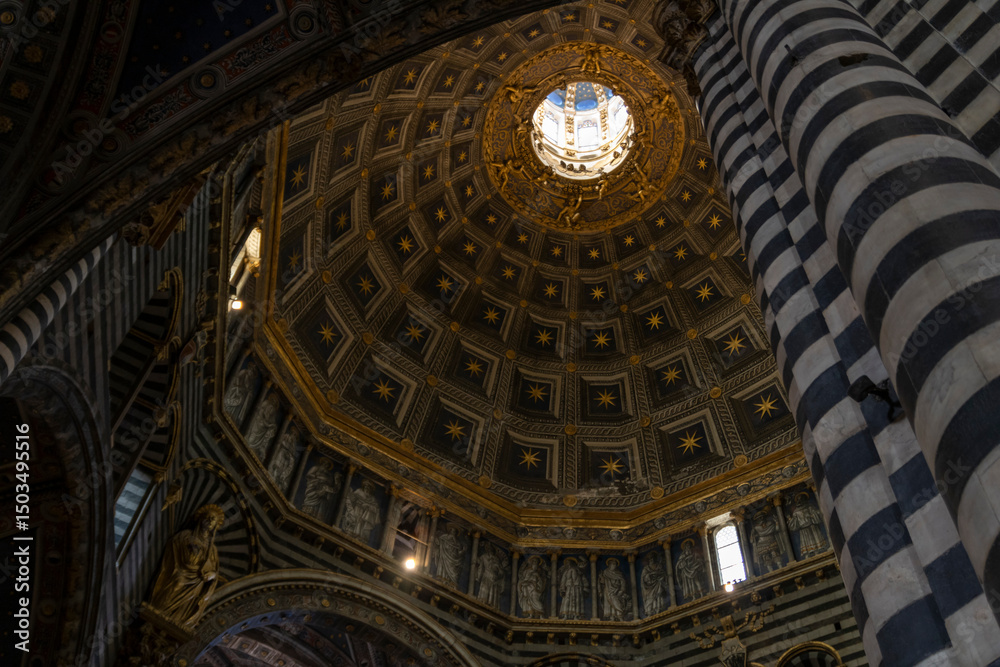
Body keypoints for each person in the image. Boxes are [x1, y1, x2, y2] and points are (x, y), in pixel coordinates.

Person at [149, 505, 225, 626]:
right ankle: (157, 612)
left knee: (190, 601)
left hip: (197, 582)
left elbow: (214, 571)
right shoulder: (185, 535)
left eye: (213, 519)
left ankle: (177, 621)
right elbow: (173, 548)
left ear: (216, 525)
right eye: (208, 517)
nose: (210, 521)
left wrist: (212, 575)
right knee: (177, 583)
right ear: (201, 519)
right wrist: (188, 552)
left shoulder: (212, 550)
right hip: (181, 572)